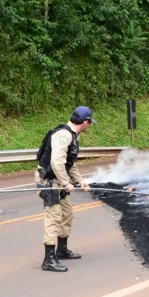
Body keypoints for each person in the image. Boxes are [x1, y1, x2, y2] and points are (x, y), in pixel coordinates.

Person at [34, 106, 95, 272]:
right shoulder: (63, 135)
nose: (89, 125)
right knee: (53, 217)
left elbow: (70, 163)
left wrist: (80, 181)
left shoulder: (74, 136)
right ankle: (48, 259)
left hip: (58, 181)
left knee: (67, 214)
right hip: (49, 181)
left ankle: (61, 249)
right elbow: (56, 163)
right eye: (90, 123)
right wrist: (66, 183)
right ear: (85, 122)